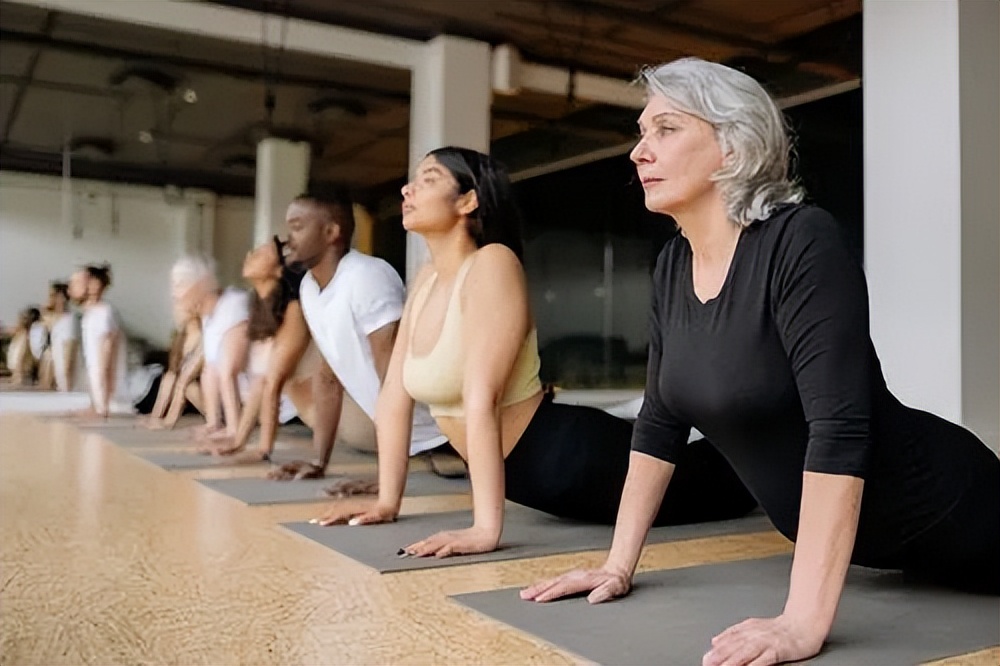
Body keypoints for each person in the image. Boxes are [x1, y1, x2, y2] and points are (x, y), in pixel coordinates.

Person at [517, 58, 1000, 666]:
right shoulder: (672, 265)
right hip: (892, 553)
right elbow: (660, 423)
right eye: (642, 133)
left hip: (953, 507)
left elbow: (841, 427)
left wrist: (803, 621)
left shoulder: (801, 240)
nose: (639, 151)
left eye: (666, 129)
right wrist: (618, 564)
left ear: (733, 147)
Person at [311, 147, 757, 554]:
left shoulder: (493, 263)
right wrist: (388, 501)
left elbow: (481, 397)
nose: (408, 188)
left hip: (574, 461)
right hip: (537, 483)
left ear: (468, 201)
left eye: (427, 179)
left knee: (739, 483)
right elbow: (393, 398)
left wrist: (485, 529)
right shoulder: (426, 281)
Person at [271, 186, 452, 482]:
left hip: (446, 442)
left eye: (298, 227)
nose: (288, 238)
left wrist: (387, 483)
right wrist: (319, 462)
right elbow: (328, 378)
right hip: (407, 448)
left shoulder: (367, 276)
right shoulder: (308, 288)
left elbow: (391, 374)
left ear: (331, 232)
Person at [205, 237, 376, 462]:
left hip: (358, 423)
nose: (249, 256)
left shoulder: (295, 309)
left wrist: (262, 450)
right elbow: (260, 384)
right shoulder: (262, 309)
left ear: (278, 271)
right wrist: (238, 441)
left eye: (260, 252)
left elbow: (272, 382)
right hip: (326, 420)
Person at [170, 256, 249, 440]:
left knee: (221, 369)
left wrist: (233, 431)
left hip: (272, 405)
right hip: (247, 400)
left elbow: (229, 370)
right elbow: (210, 369)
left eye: (180, 284)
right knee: (209, 370)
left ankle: (233, 427)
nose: (174, 293)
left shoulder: (233, 304)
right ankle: (214, 423)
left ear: (200, 284)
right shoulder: (208, 316)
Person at [68, 264, 131, 416]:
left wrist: (104, 404)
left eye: (79, 282)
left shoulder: (104, 313)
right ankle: (98, 404)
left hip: (110, 391)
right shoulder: (91, 314)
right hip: (99, 387)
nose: (72, 287)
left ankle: (103, 405)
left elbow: (107, 353)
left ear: (94, 285)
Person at [141, 305, 204, 429]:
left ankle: (169, 421)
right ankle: (155, 416)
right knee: (169, 377)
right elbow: (174, 369)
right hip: (184, 386)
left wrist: (170, 419)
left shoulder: (204, 336)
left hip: (199, 390)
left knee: (185, 384)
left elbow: (191, 374)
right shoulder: (181, 337)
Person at [38, 282, 80, 392]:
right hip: (57, 369)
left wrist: (67, 372)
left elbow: (70, 349)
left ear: (61, 297)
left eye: (52, 295)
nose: (49, 299)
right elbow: (45, 317)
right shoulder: (55, 318)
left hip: (66, 373)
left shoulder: (69, 321)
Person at [5, 307, 41, 385]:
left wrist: (17, 376)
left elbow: (21, 357)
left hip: (21, 375)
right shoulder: (20, 335)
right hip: (17, 374)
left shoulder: (25, 337)